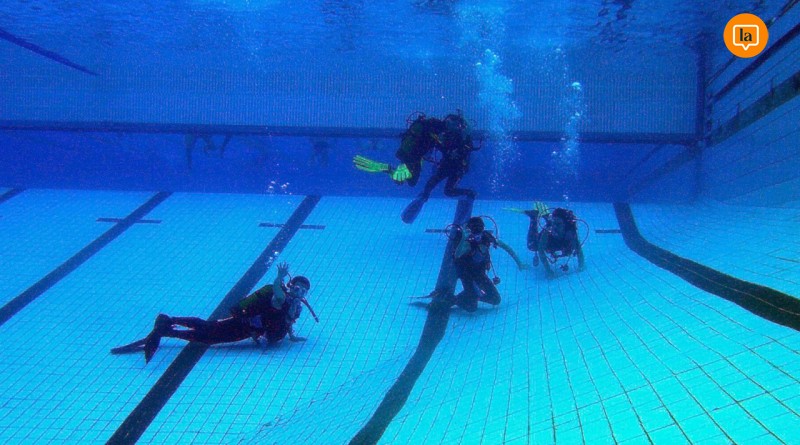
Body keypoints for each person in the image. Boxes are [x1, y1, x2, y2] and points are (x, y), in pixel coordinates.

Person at [111, 263, 317, 363]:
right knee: (208, 335)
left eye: (303, 291)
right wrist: (279, 277)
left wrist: (292, 336)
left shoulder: (296, 305)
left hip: (246, 328)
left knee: (208, 329)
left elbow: (288, 321)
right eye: (297, 288)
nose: (299, 293)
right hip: (242, 326)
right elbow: (278, 294)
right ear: (290, 286)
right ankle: (166, 328)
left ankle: (169, 322)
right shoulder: (281, 297)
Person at [353, 111, 478, 223]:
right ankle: (394, 173)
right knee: (427, 185)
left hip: (451, 167)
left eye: (459, 126)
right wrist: (447, 149)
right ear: (450, 122)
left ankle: (467, 194)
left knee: (436, 188)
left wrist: (453, 150)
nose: (457, 127)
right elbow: (438, 145)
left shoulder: (447, 132)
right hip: (430, 160)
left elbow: (456, 147)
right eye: (456, 125)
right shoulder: (440, 130)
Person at [448, 216, 528, 312]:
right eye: (474, 232)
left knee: (495, 299)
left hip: (479, 274)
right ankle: (453, 300)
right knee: (471, 308)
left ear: (483, 229)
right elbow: (457, 255)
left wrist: (519, 263)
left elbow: (506, 247)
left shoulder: (487, 238)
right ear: (470, 231)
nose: (477, 236)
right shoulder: (467, 243)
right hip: (467, 275)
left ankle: (470, 295)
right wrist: (463, 239)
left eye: (479, 231)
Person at [508, 202, 585, 278]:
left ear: (565, 225)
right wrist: (548, 270)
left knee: (568, 250)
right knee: (532, 246)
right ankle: (533, 217)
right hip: (549, 242)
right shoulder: (548, 231)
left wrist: (581, 265)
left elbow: (578, 249)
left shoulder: (570, 233)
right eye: (554, 223)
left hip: (559, 241)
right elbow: (541, 250)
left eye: (558, 224)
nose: (554, 227)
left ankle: (548, 217)